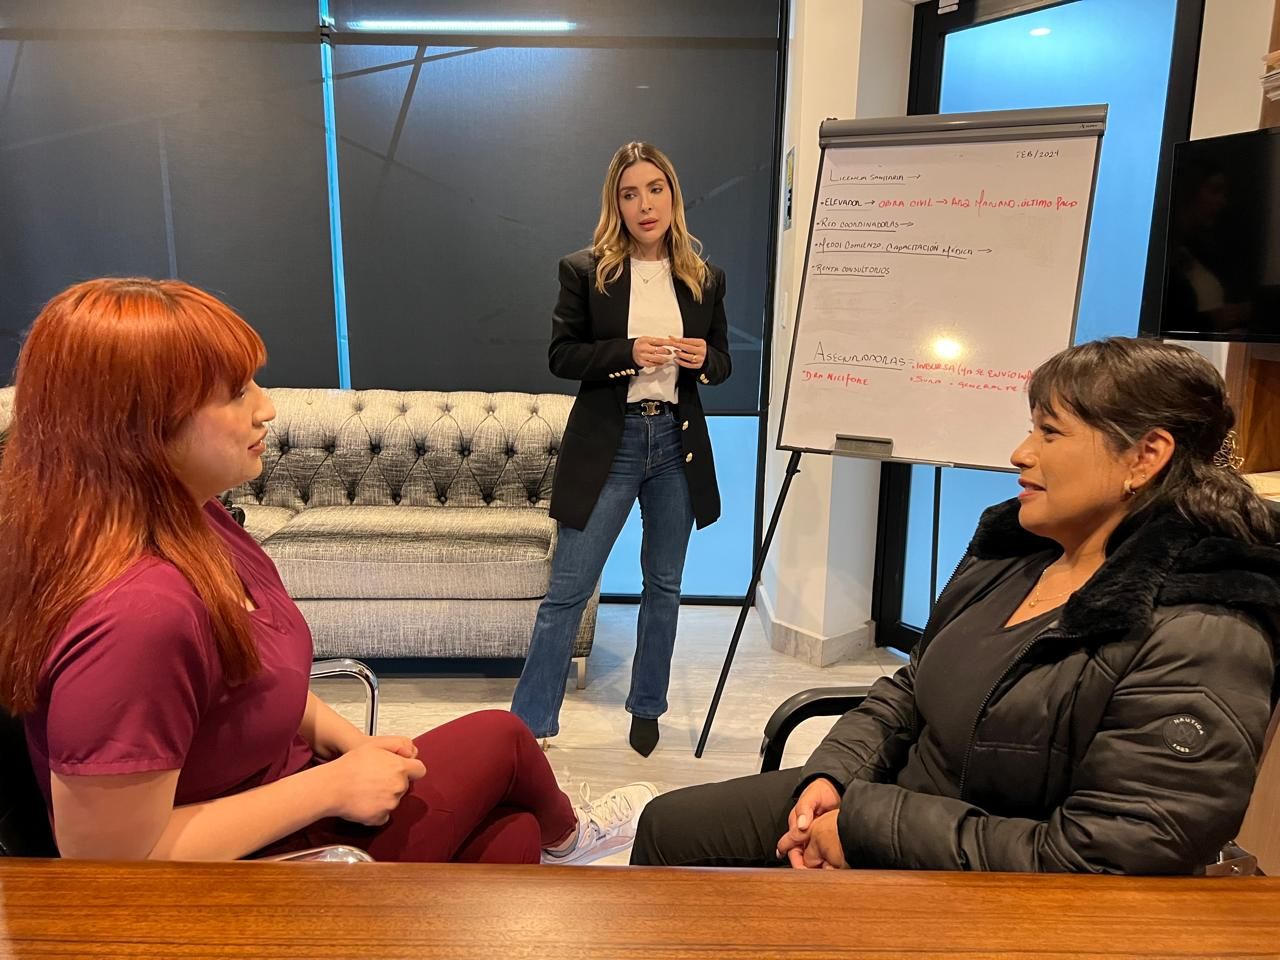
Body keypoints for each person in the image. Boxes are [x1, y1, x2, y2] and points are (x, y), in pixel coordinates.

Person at [0, 277, 656, 863]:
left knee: (513, 838)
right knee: (504, 739)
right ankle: (572, 842)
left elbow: (260, 678)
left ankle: (552, 846)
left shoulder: (198, 519)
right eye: (234, 393)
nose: (266, 409)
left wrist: (350, 746)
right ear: (139, 429)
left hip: (282, 790)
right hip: (252, 866)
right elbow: (110, 858)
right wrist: (329, 789)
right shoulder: (137, 615)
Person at [632, 337, 1280, 874]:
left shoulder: (1202, 635)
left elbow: (1103, 857)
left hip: (981, 882)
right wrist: (832, 778)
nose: (1021, 453)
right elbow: (909, 687)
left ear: (1146, 455)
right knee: (666, 825)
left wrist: (865, 828)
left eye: (1050, 433)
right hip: (884, 808)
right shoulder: (1016, 556)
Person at [510, 142, 731, 756]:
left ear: (672, 196)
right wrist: (627, 353)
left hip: (676, 445)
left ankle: (648, 707)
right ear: (616, 204)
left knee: (664, 585)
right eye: (630, 194)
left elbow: (723, 361)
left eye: (655, 189)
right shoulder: (585, 271)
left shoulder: (704, 277)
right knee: (567, 591)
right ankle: (526, 730)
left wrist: (703, 361)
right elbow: (562, 357)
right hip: (611, 442)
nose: (644, 204)